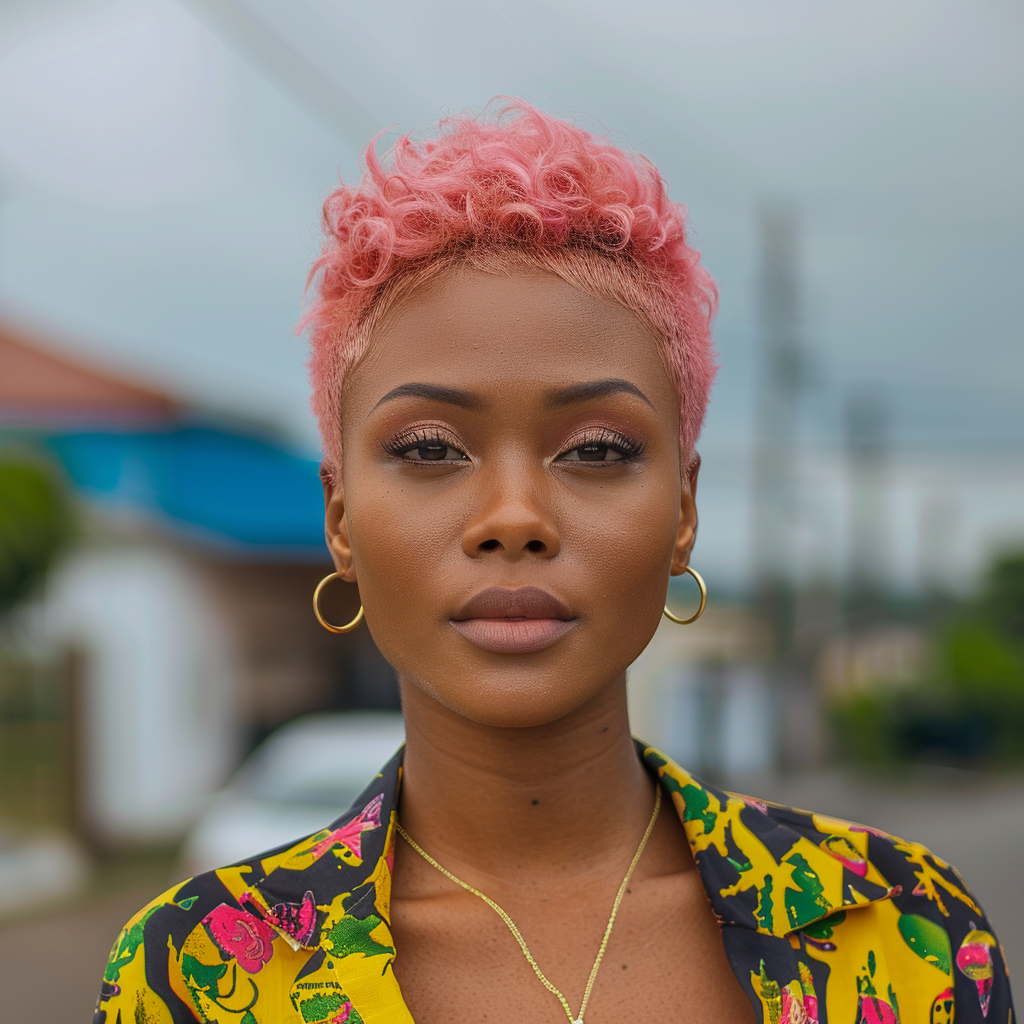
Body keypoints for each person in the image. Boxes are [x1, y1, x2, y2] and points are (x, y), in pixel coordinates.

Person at [94, 100, 1012, 1024]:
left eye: (599, 450)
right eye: (426, 447)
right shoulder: (199, 978)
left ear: (684, 512)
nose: (514, 519)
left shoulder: (900, 933)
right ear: (340, 519)